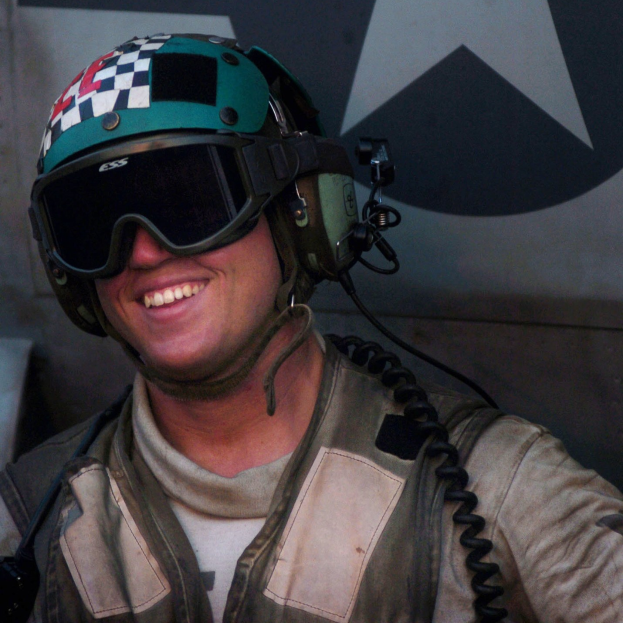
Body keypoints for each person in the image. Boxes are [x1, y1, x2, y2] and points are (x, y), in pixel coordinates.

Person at [1, 32, 622, 623]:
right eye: (92, 224)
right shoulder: (25, 517)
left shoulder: (502, 486)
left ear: (302, 216)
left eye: (187, 200)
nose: (142, 254)